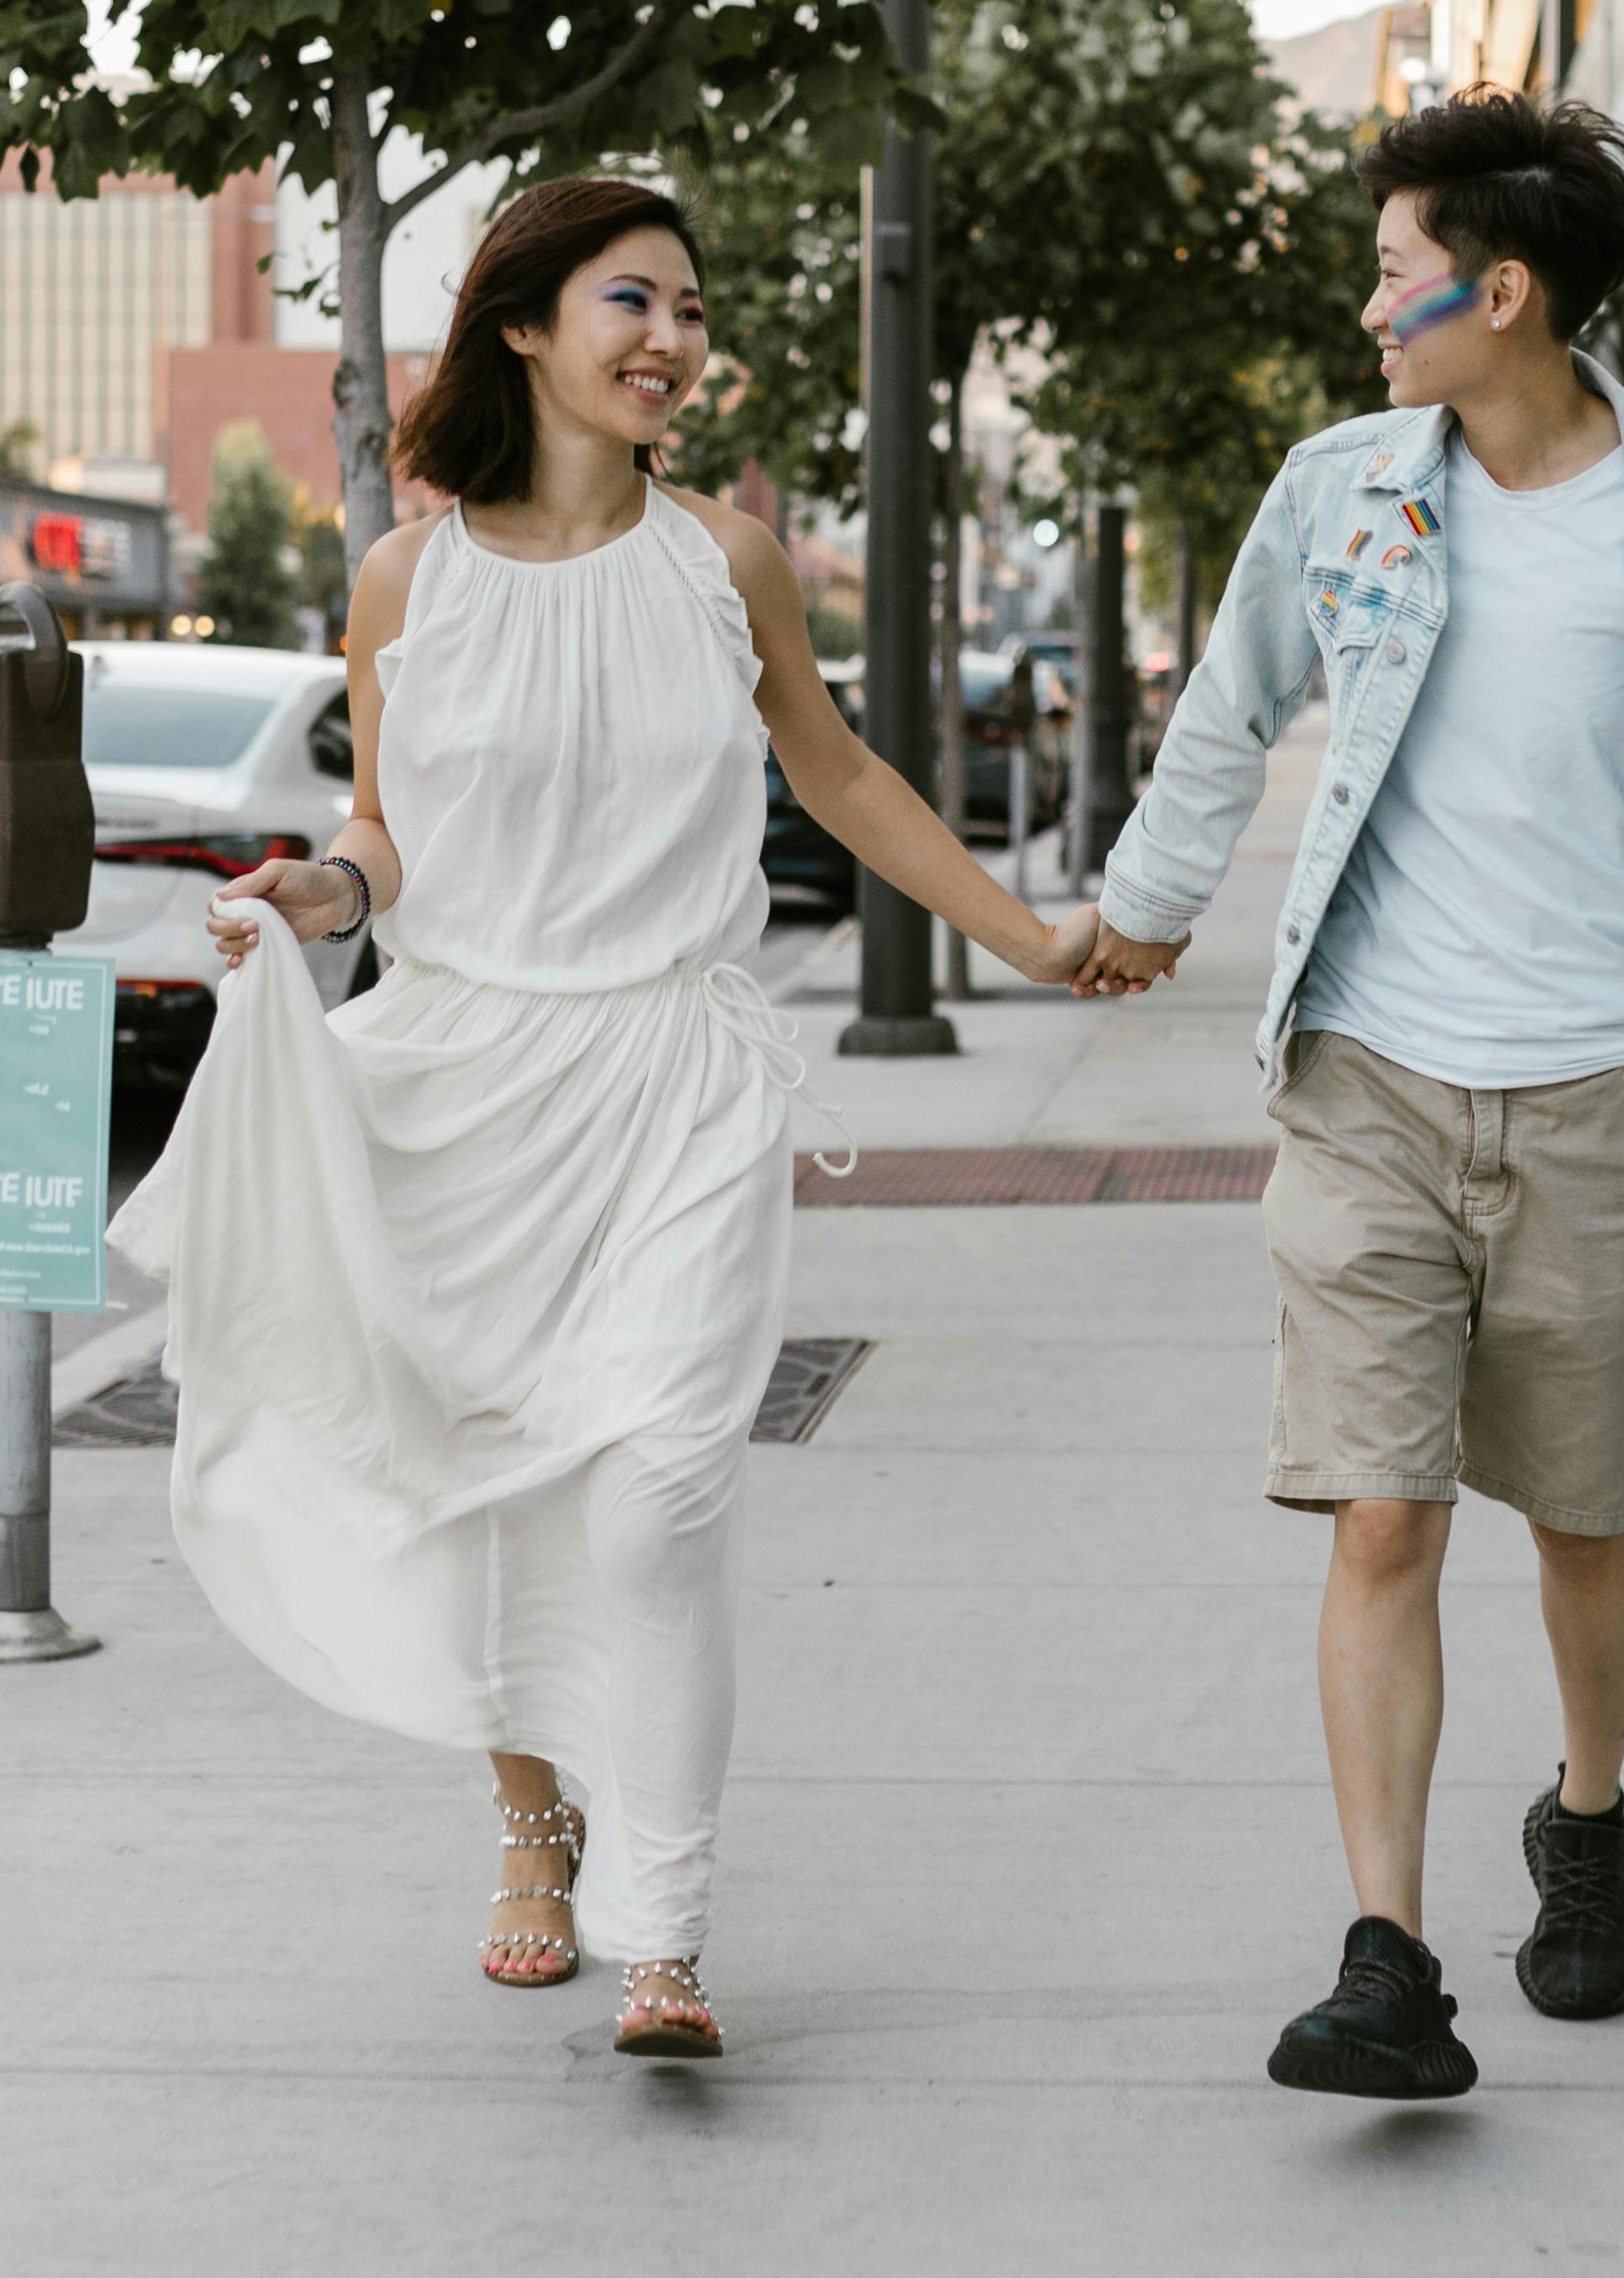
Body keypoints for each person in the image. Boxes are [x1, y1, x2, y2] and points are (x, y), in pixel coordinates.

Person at [134, 176, 1118, 2062]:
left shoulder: (722, 562)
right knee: (498, 1463)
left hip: (673, 1075)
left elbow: (834, 772)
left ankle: (662, 1929)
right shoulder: (405, 579)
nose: (670, 337)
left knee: (660, 1486)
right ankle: (529, 1818)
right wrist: (311, 901)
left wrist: (1034, 935)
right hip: (465, 1074)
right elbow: (385, 836)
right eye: (630, 298)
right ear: (522, 320)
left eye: (687, 305)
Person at [1080, 88, 1624, 2102]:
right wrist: (1133, 912)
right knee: (1381, 1511)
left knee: (1578, 1507)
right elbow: (1229, 715)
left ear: (1507, 287)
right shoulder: (1343, 491)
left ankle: (1580, 1813)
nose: (1371, 309)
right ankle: (1384, 1950)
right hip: (1372, 1073)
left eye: (1396, 275)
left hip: (1603, 1080)